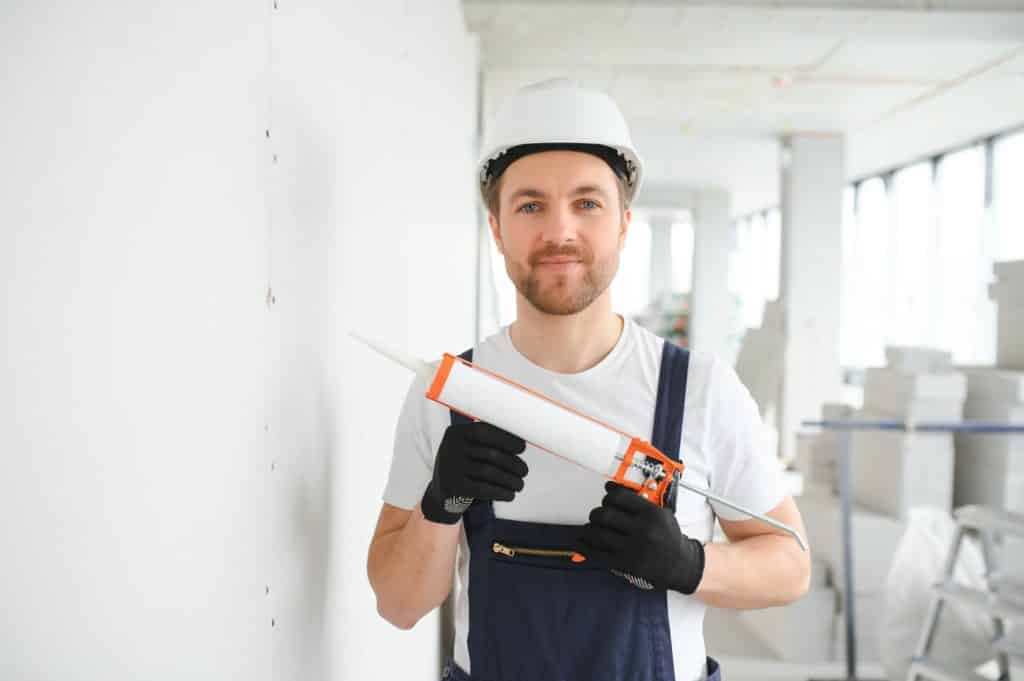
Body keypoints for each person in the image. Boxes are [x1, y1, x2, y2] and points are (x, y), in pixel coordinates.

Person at [367, 78, 811, 681]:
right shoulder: (450, 397)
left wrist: (687, 564)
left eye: (587, 203)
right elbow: (398, 604)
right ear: (496, 228)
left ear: (624, 223)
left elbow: (792, 566)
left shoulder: (700, 392)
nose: (560, 232)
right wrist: (439, 506)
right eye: (530, 205)